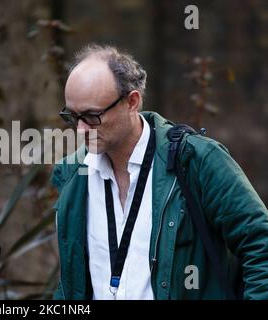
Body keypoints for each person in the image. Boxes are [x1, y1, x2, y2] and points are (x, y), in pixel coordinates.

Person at [51, 44, 268, 300]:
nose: (81, 130)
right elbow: (70, 284)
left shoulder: (196, 160)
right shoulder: (73, 174)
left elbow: (260, 245)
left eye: (92, 116)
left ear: (132, 102)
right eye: (72, 117)